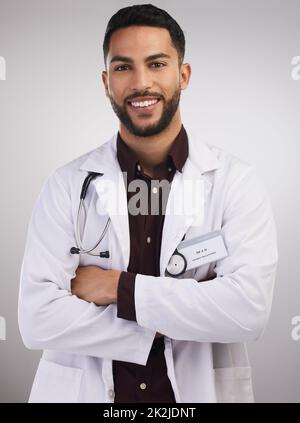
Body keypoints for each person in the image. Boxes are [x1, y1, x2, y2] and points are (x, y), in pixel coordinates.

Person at [18, 4, 278, 403]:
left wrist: (116, 288)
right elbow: (37, 320)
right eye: (123, 68)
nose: (141, 83)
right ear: (106, 82)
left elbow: (247, 310)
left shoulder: (234, 183)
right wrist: (175, 316)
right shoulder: (67, 185)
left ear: (183, 74)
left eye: (157, 64)